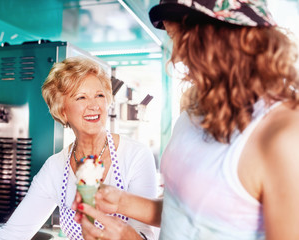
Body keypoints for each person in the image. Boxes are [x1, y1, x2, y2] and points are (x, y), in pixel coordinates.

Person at [73, 0, 299, 240]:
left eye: (183, 38)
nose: (178, 56)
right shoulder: (193, 111)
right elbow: (184, 211)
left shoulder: (283, 137)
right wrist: (121, 202)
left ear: (224, 37)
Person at [0, 56, 158, 240]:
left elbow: (145, 234)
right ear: (63, 111)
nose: (94, 105)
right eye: (81, 97)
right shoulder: (55, 168)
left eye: (99, 95)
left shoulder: (135, 155)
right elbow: (13, 234)